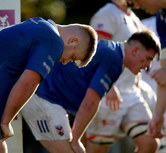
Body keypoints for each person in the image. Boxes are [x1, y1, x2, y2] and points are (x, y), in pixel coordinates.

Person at [0, 17, 98, 153]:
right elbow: (28, 83)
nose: (65, 62)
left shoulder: (39, 24)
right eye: (72, 57)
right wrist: (5, 122)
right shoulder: (53, 40)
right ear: (73, 40)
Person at [20, 30, 161, 153]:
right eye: (148, 59)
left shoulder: (113, 53)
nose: (148, 66)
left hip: (50, 100)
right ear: (135, 50)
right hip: (43, 98)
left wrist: (76, 138)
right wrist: (76, 140)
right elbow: (90, 103)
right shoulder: (113, 59)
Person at [86, 0, 160, 152]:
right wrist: (108, 86)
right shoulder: (106, 14)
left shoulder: (133, 18)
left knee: (150, 144)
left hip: (132, 94)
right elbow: (96, 52)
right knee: (97, 149)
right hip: (110, 93)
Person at [129, 0, 166, 138]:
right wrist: (158, 114)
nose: (136, 6)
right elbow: (163, 74)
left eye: (136, 0)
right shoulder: (161, 18)